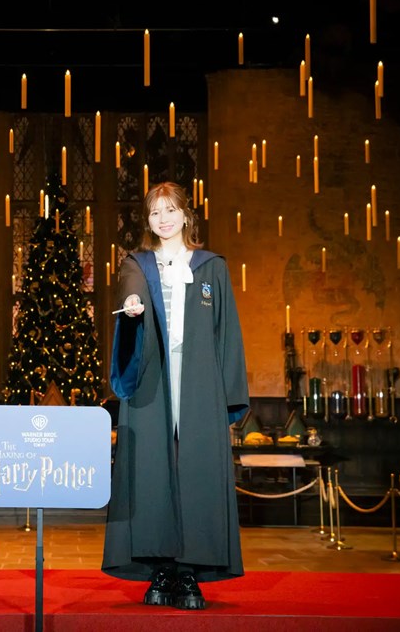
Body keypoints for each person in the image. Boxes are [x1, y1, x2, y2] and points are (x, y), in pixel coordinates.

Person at [102, 181, 249, 610]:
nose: (163, 219)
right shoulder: (138, 263)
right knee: (151, 472)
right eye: (154, 212)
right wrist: (133, 300)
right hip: (155, 379)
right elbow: (129, 285)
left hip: (200, 381)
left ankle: (190, 572)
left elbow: (227, 334)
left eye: (170, 210)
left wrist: (228, 396)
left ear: (186, 215)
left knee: (198, 473)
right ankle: (160, 567)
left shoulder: (211, 267)